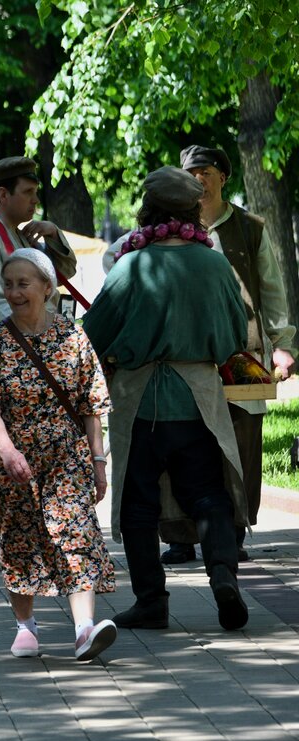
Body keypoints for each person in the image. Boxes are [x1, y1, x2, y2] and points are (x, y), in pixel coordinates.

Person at [84, 167, 249, 632]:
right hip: (198, 401)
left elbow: (92, 335)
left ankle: (152, 602)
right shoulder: (214, 263)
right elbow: (235, 334)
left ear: (148, 210)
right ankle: (221, 576)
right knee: (207, 494)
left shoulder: (132, 265)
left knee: (138, 504)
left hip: (139, 404)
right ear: (193, 209)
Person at [154, 145, 296, 565]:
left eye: (205, 171)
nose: (197, 179)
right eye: (189, 173)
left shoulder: (250, 227)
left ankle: (232, 533)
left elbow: (272, 289)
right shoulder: (167, 226)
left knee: (241, 445)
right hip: (183, 354)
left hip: (242, 354)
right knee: (178, 441)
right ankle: (180, 535)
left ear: (223, 177)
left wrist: (283, 344)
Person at [0, 247, 118, 660]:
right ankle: (26, 627)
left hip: (66, 458)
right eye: (8, 284)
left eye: (23, 283)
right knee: (19, 538)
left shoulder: (74, 337)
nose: (14, 292)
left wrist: (98, 462)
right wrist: (7, 451)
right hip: (12, 462)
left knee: (77, 534)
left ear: (46, 287)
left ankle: (84, 630)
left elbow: (93, 405)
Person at [0, 157, 77, 329]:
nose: (36, 200)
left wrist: (53, 234)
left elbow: (65, 273)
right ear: (3, 195)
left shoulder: (22, 235)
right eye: (28, 192)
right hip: (16, 348)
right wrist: (41, 337)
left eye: (35, 192)